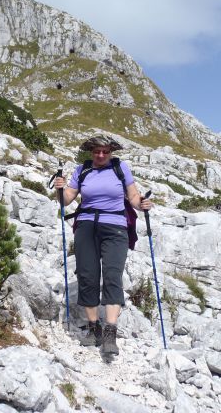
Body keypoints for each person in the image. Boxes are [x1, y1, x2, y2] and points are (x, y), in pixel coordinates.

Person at [53, 135, 152, 355]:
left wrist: (143, 205)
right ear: (90, 152)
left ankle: (110, 333)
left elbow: (133, 196)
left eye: (105, 151)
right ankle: (93, 328)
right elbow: (66, 199)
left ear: (111, 152)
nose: (101, 155)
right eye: (97, 151)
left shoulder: (120, 168)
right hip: (86, 226)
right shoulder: (82, 170)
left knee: (112, 274)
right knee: (87, 275)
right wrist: (59, 188)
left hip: (115, 227)